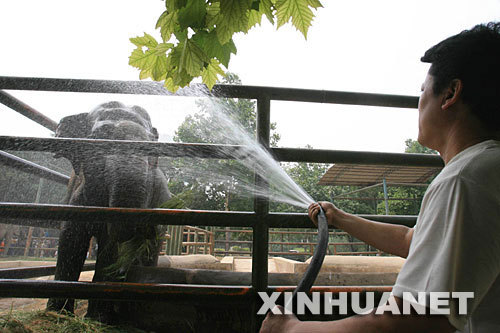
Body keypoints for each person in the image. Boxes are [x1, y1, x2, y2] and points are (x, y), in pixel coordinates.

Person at [260, 21, 500, 333]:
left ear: (450, 93)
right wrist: (341, 218)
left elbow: (410, 321)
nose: (419, 103)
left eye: (422, 91)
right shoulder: (486, 170)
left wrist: (290, 329)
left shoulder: (464, 180)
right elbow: (410, 241)